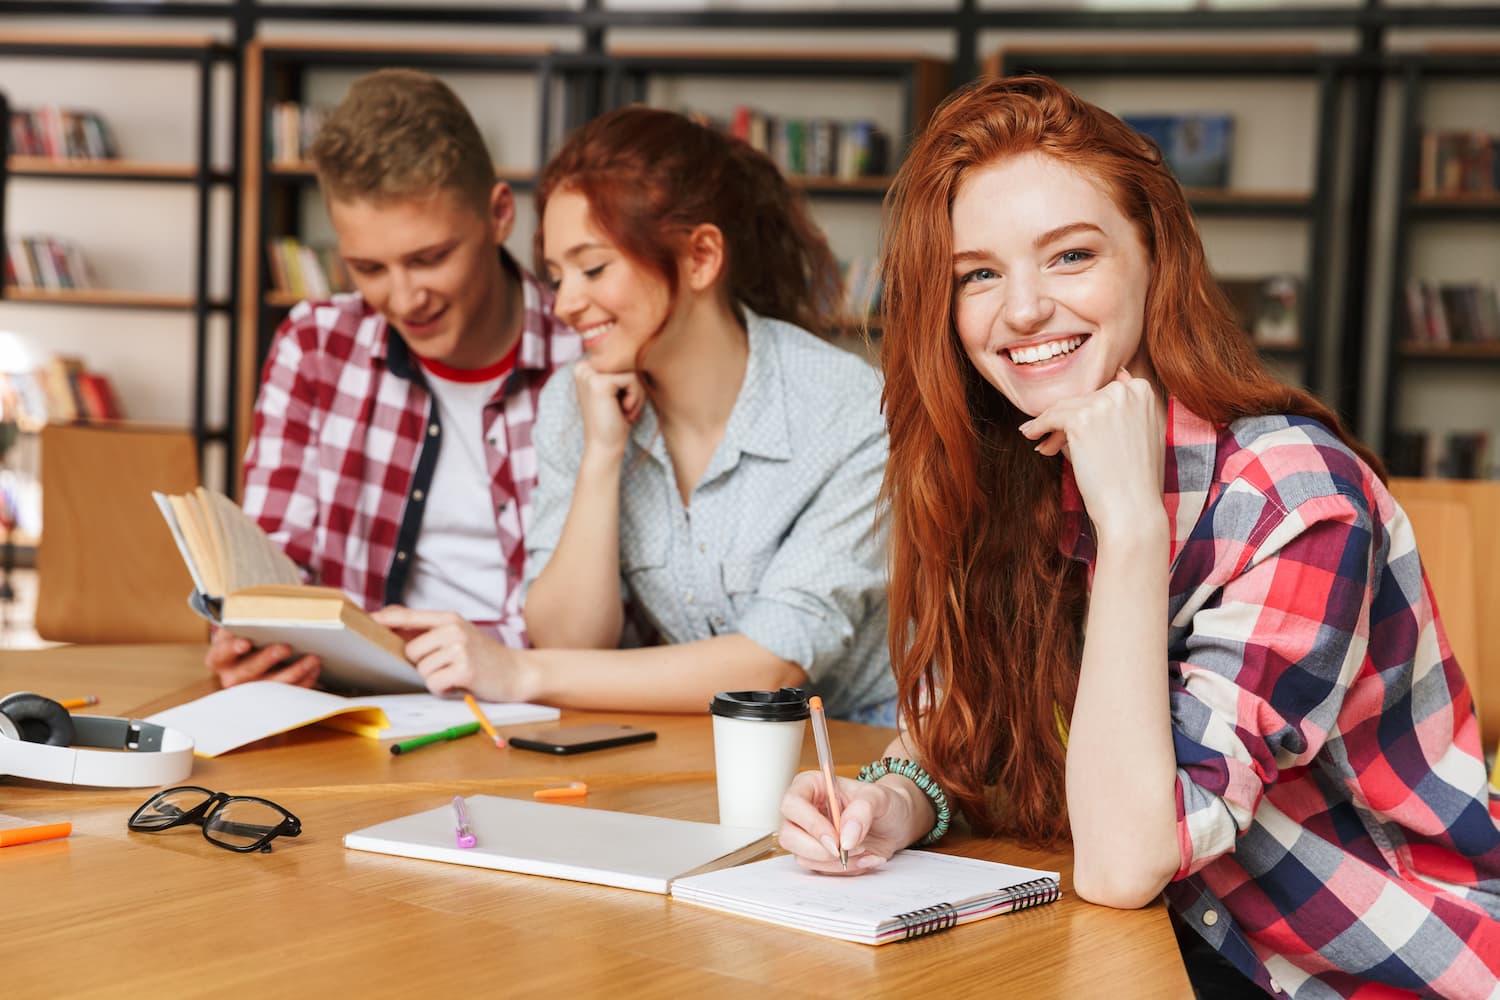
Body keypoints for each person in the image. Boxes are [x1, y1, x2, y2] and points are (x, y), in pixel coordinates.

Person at [778, 76, 1500, 997]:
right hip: (1159, 946)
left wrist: (1130, 530)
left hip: (1363, 971)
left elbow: (1126, 862)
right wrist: (894, 801)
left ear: (1153, 254)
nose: (1025, 309)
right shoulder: (1019, 463)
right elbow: (987, 723)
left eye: (1071, 256)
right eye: (979, 274)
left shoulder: (1292, 495)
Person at [373, 106, 896, 722]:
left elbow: (771, 665)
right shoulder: (578, 403)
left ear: (700, 257)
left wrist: (515, 670)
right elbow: (569, 643)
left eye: (593, 268)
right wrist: (602, 455)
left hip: (886, 760)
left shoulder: (851, 409)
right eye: (557, 275)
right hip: (720, 753)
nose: (565, 303)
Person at [207, 69, 579, 688]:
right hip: (351, 707)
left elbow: (612, 623)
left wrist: (487, 659)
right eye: (368, 268)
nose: (405, 299)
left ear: (500, 214)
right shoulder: (316, 344)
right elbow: (273, 571)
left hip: (541, 707)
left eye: (430, 259)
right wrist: (252, 646)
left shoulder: (587, 357)